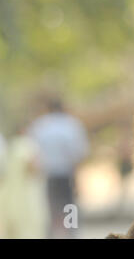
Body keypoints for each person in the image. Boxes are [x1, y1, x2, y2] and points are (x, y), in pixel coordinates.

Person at [28, 96, 89, 238]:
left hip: (47, 175)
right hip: (67, 174)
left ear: (48, 109)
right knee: (69, 208)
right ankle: (71, 235)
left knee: (50, 210)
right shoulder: (72, 125)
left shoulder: (40, 125)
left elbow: (32, 154)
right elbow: (79, 154)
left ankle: (50, 235)